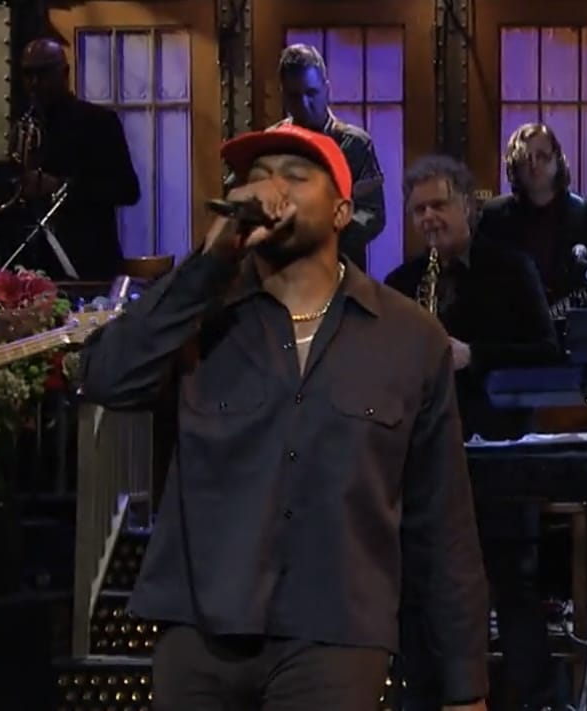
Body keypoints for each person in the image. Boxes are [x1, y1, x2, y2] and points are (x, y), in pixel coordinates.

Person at [76, 124, 489, 711]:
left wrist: (465, 687)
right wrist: (208, 262)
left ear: (342, 212)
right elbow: (107, 377)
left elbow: (442, 522)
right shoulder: (199, 315)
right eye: (257, 177)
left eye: (295, 176)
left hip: (336, 634)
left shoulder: (409, 337)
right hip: (200, 629)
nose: (271, 189)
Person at [385, 155, 560, 710]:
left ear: (467, 204)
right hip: (426, 461)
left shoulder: (512, 269)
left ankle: (533, 701)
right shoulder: (402, 283)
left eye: (439, 204)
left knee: (513, 586)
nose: (428, 218)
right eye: (418, 210)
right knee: (421, 591)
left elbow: (547, 353)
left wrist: (473, 355)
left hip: (500, 458)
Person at [17, 38, 141, 280]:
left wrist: (59, 185)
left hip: (88, 259)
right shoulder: (24, 125)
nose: (34, 83)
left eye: (43, 73)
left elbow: (128, 190)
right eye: (28, 74)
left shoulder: (98, 122)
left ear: (64, 73)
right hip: (37, 259)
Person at [476, 123, 587, 304]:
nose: (534, 165)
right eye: (525, 158)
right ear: (514, 166)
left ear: (557, 160)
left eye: (542, 156)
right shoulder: (494, 216)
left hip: (575, 318)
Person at [273, 43, 386, 271]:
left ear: (326, 90)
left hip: (342, 271)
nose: (304, 104)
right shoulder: (272, 143)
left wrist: (324, 231)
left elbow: (373, 215)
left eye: (311, 93)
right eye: (294, 96)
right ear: (283, 95)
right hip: (286, 271)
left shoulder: (355, 145)